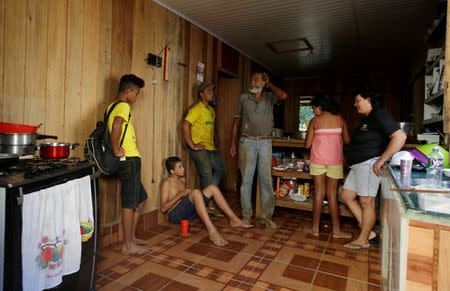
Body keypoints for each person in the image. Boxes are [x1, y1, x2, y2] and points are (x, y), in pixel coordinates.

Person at [341, 89, 406, 250]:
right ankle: (368, 231)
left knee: (366, 201)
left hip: (368, 164)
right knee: (347, 195)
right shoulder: (368, 118)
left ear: (368, 100)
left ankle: (363, 239)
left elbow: (400, 136)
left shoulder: (379, 115)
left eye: (358, 100)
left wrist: (382, 159)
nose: (355, 104)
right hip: (358, 166)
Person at [230, 72, 288, 228]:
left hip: (265, 142)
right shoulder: (244, 98)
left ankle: (266, 216)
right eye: (251, 79)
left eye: (256, 79)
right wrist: (233, 143)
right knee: (246, 180)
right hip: (247, 141)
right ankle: (246, 216)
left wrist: (270, 86)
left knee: (266, 180)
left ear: (264, 82)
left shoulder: (269, 97)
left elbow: (283, 95)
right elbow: (236, 121)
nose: (252, 81)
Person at [160, 156, 253, 246]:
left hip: (187, 215)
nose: (183, 169)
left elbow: (186, 200)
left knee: (213, 188)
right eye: (179, 167)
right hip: (175, 215)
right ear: (172, 171)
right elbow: (163, 209)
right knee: (196, 192)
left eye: (182, 166)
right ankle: (212, 232)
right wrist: (180, 194)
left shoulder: (182, 180)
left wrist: (189, 195)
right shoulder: (166, 183)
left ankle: (234, 220)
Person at [109, 74, 149, 255]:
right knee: (129, 203)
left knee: (140, 198)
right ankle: (127, 245)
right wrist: (116, 149)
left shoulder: (111, 107)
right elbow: (117, 126)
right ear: (128, 91)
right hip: (129, 160)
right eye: (137, 93)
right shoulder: (123, 106)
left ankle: (131, 237)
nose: (137, 97)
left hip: (131, 160)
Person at [305, 94, 352, 239]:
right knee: (332, 195)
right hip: (335, 161)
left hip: (318, 160)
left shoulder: (315, 121)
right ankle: (337, 231)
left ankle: (315, 229)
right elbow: (347, 140)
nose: (313, 111)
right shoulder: (339, 119)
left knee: (319, 194)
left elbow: (307, 144)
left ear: (320, 107)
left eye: (314, 108)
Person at [183, 81, 226, 216]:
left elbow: (212, 127)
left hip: (211, 148)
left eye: (212, 91)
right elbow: (185, 125)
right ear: (201, 94)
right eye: (208, 91)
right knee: (207, 173)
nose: (211, 93)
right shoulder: (196, 109)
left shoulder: (211, 110)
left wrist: (216, 138)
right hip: (199, 149)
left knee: (221, 169)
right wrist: (192, 145)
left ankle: (206, 197)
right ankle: (207, 204)